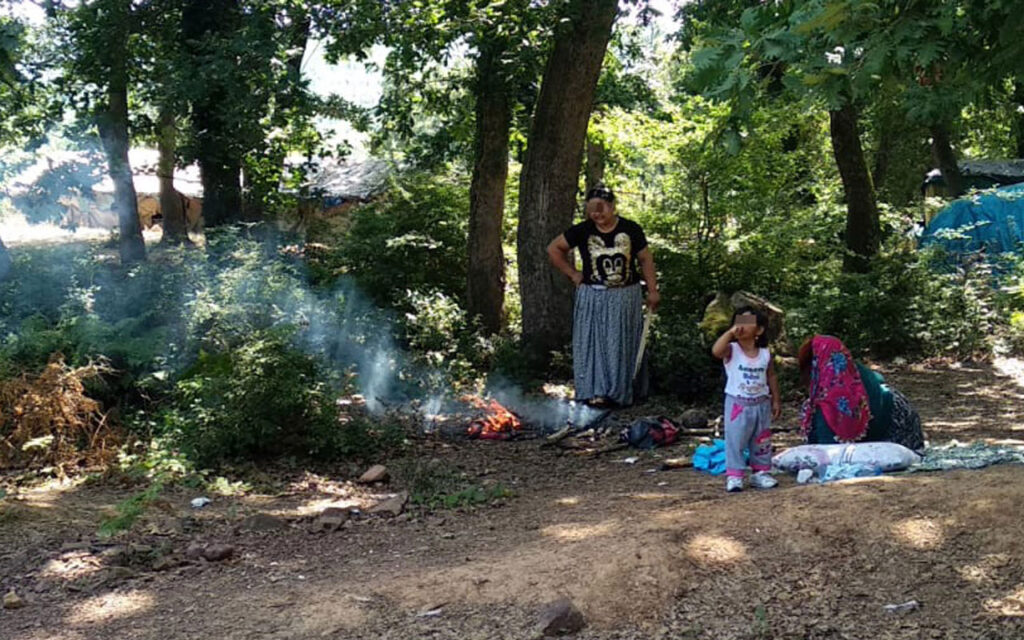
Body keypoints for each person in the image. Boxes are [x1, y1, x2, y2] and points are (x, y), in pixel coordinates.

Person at [547, 185, 660, 408]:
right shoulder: (583, 230)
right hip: (593, 295)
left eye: (602, 209)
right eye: (592, 210)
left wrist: (653, 290)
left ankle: (621, 391)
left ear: (613, 207)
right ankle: (594, 392)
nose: (597, 215)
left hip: (625, 295)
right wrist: (573, 274)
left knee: (620, 342)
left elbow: (645, 259)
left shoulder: (631, 229)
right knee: (593, 342)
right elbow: (554, 249)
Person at [798, 335, 925, 453]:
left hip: (891, 429)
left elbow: (826, 447)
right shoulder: (855, 371)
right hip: (895, 420)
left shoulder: (832, 393)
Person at [711, 306, 782, 492]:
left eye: (746, 323)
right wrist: (729, 333)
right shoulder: (732, 350)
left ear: (758, 330)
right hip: (738, 404)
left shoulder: (765, 353)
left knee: (762, 440)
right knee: (736, 439)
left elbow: (771, 376)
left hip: (761, 403)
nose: (741, 327)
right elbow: (716, 351)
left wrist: (776, 400)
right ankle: (735, 475)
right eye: (738, 322)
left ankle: (761, 473)